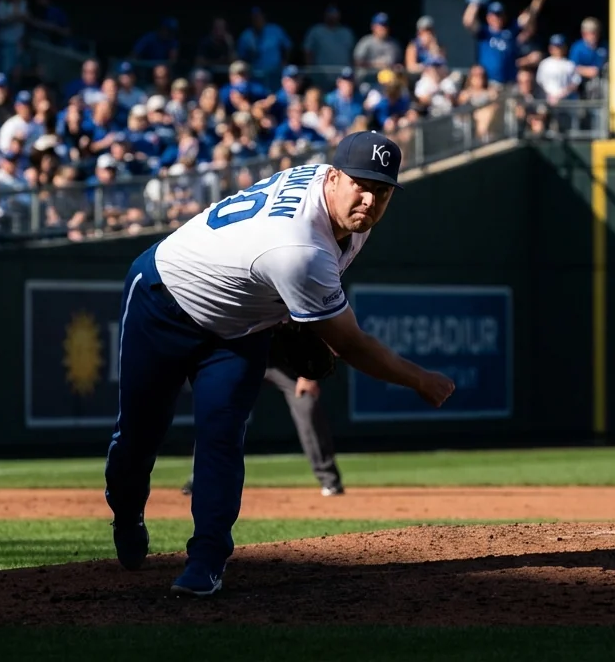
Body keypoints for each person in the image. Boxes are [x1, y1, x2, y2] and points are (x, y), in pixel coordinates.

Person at [104, 131, 455, 597]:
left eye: (383, 190)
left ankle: (207, 559)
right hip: (164, 297)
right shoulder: (300, 249)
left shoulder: (347, 213)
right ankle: (127, 513)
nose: (370, 199)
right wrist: (419, 379)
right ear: (332, 177)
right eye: (360, 184)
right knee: (139, 436)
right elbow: (349, 343)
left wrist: (294, 315)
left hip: (241, 328)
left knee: (222, 436)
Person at [179, 367, 344, 498]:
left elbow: (309, 327)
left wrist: (308, 375)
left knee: (306, 403)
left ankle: (329, 480)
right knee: (218, 410)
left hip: (281, 361)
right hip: (241, 355)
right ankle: (200, 478)